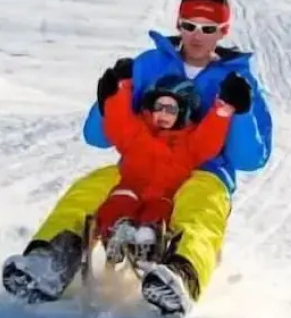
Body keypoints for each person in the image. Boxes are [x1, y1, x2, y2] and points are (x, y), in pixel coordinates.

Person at [2, 0, 273, 317]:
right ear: (178, 24)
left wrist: (240, 110)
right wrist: (109, 98)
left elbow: (251, 159)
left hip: (203, 170)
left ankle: (180, 276)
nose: (196, 36)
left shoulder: (238, 80)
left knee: (201, 210)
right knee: (87, 191)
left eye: (208, 28)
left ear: (223, 31)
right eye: (189, 25)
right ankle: (48, 262)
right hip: (139, 167)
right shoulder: (149, 64)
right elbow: (98, 137)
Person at [94, 73, 233, 264]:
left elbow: (209, 139)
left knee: (159, 214)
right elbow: (118, 123)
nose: (164, 114)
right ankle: (115, 234)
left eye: (171, 109)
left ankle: (149, 243)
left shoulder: (189, 141)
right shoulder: (137, 131)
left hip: (165, 195)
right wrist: (119, 91)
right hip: (131, 187)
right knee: (117, 202)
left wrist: (221, 112)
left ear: (183, 112)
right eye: (159, 107)